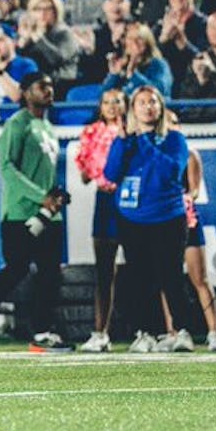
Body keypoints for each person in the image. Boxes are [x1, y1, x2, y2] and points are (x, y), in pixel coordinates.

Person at [0, 72, 65, 351]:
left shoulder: (47, 126)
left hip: (50, 214)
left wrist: (54, 195)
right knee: (16, 269)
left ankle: (42, 331)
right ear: (25, 92)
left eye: (50, 86)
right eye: (41, 87)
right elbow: (8, 168)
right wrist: (39, 197)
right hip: (20, 213)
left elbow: (43, 170)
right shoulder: (17, 125)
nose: (49, 91)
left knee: (50, 274)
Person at [103, 86, 192, 354]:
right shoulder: (127, 142)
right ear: (133, 110)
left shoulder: (174, 139)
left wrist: (144, 140)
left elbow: (171, 171)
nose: (148, 107)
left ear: (161, 107)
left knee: (171, 276)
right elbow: (111, 173)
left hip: (167, 217)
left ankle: (183, 331)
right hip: (132, 218)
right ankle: (146, 332)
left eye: (152, 102)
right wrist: (121, 142)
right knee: (139, 279)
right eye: (141, 102)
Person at [165, 111, 216, 351]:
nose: (172, 127)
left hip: (185, 218)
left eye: (175, 123)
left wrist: (177, 199)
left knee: (199, 277)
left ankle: (214, 332)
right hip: (161, 221)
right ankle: (174, 332)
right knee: (166, 280)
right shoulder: (156, 154)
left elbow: (195, 190)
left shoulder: (189, 155)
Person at [76, 89, 126, 353]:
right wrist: (86, 161)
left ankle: (153, 331)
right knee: (104, 270)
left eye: (117, 102)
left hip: (131, 199)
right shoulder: (92, 132)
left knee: (144, 268)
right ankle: (100, 333)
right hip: (105, 200)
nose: (111, 106)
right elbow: (86, 176)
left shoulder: (132, 132)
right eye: (106, 102)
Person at [18, 0, 79, 93]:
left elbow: (55, 60)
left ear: (55, 11)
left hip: (62, 83)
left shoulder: (64, 33)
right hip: (37, 83)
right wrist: (23, 42)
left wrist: (39, 37)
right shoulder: (31, 33)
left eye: (48, 9)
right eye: (37, 9)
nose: (42, 13)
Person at [156, 0, 208, 94]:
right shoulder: (160, 25)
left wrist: (183, 43)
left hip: (194, 88)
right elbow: (150, 58)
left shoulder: (204, 24)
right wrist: (163, 38)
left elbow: (205, 58)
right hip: (165, 87)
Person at [76, 0, 132, 85]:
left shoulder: (136, 31)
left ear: (129, 5)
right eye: (111, 1)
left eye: (120, 1)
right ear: (104, 6)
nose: (115, 6)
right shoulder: (96, 34)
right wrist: (89, 52)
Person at [103, 22, 173, 97]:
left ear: (147, 42)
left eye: (139, 39)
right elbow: (104, 97)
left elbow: (161, 90)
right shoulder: (123, 67)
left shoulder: (159, 64)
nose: (134, 42)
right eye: (130, 38)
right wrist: (114, 75)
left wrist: (134, 75)